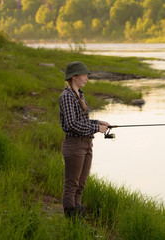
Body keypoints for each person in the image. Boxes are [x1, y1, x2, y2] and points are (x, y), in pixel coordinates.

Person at [59, 61, 109, 218]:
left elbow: (81, 120)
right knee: (72, 184)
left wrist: (97, 122)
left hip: (86, 144)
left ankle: (77, 215)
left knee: (81, 185)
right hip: (74, 145)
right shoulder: (66, 96)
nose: (87, 78)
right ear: (74, 77)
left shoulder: (79, 94)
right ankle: (71, 219)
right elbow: (71, 124)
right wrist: (96, 129)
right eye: (84, 75)